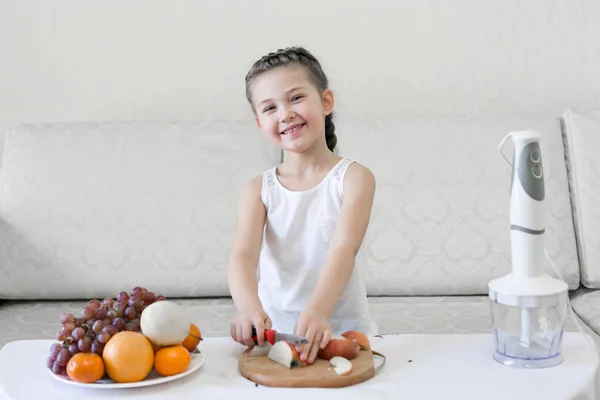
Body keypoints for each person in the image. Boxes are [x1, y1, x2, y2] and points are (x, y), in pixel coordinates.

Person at [227, 46, 378, 364]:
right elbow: (242, 256)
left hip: (344, 335)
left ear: (326, 101)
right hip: (277, 340)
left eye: (296, 98)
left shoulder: (354, 178)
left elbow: (343, 249)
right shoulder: (258, 189)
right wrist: (248, 307)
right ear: (259, 123)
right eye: (269, 108)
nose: (285, 113)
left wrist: (317, 311)